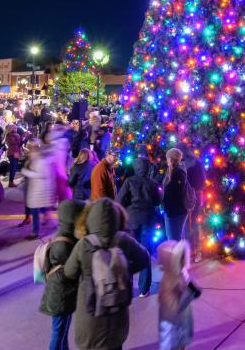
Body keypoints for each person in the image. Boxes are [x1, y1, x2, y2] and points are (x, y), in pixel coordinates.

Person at [63, 198, 150, 350]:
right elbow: (144, 258)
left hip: (90, 322)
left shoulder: (84, 244)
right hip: (117, 321)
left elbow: (69, 272)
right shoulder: (124, 241)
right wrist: (125, 269)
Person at [39, 200, 85, 350]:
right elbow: (72, 270)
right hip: (60, 295)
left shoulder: (66, 235)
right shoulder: (63, 244)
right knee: (58, 331)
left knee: (62, 330)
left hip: (63, 293)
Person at [116, 156, 162, 296]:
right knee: (145, 252)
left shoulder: (129, 182)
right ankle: (144, 288)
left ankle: (127, 286)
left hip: (131, 222)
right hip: (148, 221)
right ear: (147, 168)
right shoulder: (153, 184)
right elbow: (157, 201)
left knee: (129, 252)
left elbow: (119, 201)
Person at [157, 239, 202, 350]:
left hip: (181, 319)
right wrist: (189, 293)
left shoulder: (181, 274)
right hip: (171, 321)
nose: (183, 260)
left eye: (183, 257)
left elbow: (193, 289)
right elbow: (174, 307)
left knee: (182, 340)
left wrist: (192, 288)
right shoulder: (169, 281)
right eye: (180, 258)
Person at [22, 140, 58, 239]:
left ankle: (35, 232)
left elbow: (42, 175)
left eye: (31, 151)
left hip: (39, 191)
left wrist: (26, 172)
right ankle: (50, 223)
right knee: (42, 209)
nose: (30, 153)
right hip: (38, 190)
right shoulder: (38, 160)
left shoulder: (41, 161)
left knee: (35, 211)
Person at [181, 148, 205, 263]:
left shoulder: (181, 165)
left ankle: (191, 251)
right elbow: (203, 182)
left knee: (187, 225)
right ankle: (196, 252)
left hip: (187, 197)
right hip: (197, 196)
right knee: (194, 224)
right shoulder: (198, 162)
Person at [162, 148, 191, 241]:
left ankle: (178, 255)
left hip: (173, 212)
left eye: (167, 158)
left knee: (172, 239)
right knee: (178, 237)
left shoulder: (175, 173)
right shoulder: (180, 169)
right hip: (181, 210)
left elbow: (171, 195)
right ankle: (181, 254)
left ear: (170, 159)